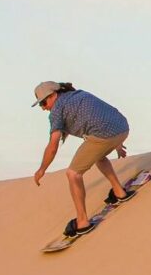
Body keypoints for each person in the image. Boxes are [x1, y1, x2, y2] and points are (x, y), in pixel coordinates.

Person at [31, 81, 135, 239]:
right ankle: (119, 192)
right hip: (122, 127)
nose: (44, 107)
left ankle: (82, 223)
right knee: (97, 154)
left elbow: (53, 146)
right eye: (41, 105)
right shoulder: (78, 94)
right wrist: (117, 143)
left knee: (73, 174)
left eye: (44, 102)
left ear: (53, 95)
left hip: (105, 135)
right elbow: (101, 114)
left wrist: (41, 170)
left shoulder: (57, 111)